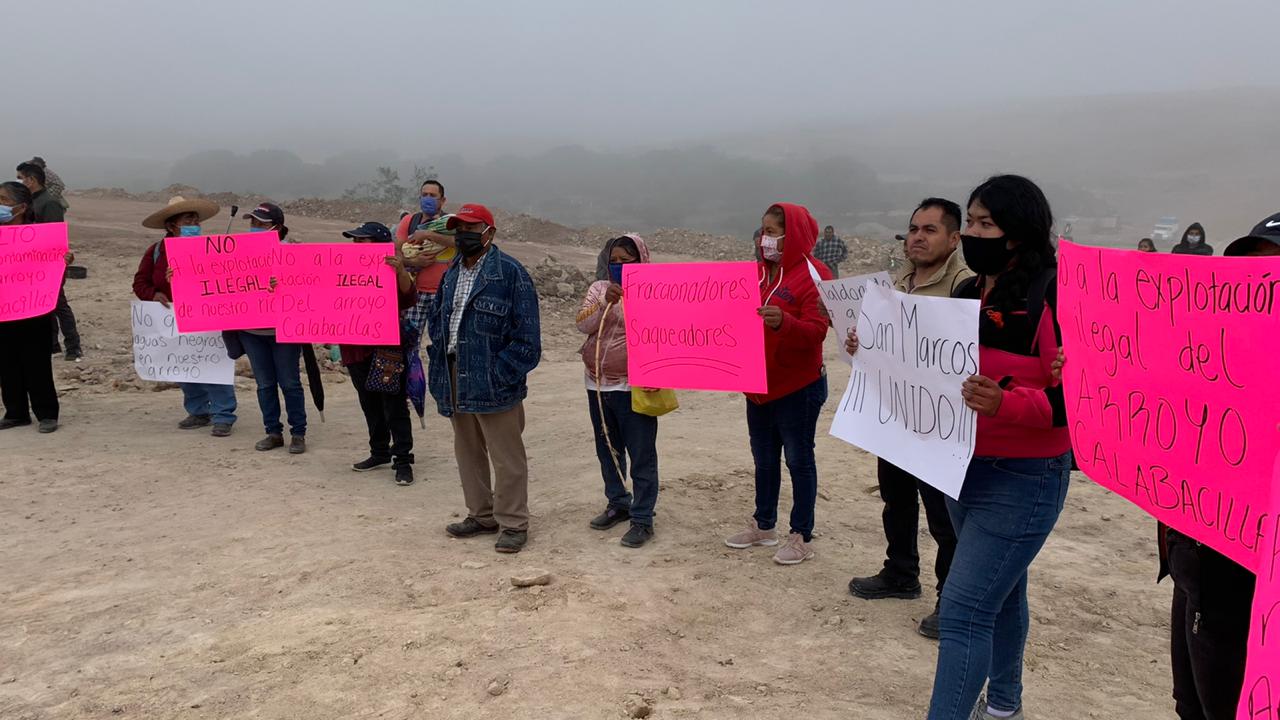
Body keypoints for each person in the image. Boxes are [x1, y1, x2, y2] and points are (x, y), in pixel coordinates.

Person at [867, 175, 1067, 720]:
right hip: (962, 466)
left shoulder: (1051, 294)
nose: (972, 233)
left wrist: (1009, 405)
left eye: (984, 224)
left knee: (962, 611)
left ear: (1018, 232)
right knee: (1004, 595)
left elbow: (1078, 401)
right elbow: (927, 368)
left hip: (1025, 476)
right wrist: (873, 347)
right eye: (971, 222)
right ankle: (1003, 706)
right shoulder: (966, 294)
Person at [1159, 212, 1280, 720]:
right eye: (1248, 271)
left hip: (1251, 576)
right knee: (1191, 702)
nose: (1259, 285)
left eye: (1272, 270)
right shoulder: (1210, 352)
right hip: (1194, 559)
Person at [847, 198, 971, 639]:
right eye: (913, 228)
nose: (918, 236)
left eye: (930, 229)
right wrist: (860, 345)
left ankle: (950, 599)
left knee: (944, 520)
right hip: (896, 418)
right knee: (896, 501)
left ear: (954, 238)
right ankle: (900, 573)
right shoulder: (895, 283)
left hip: (940, 427)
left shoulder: (965, 287)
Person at [428, 203, 541, 554]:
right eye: (459, 228)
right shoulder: (451, 272)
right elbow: (438, 318)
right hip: (454, 375)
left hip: (493, 381)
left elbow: (528, 340)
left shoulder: (510, 273)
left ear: (488, 233)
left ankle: (513, 523)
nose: (464, 234)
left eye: (471, 228)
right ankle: (481, 514)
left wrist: (500, 373)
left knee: (506, 456)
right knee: (468, 450)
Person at [723, 203, 831, 566]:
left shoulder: (815, 275)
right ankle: (764, 524)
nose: (764, 239)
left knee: (799, 460)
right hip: (757, 385)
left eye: (772, 232)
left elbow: (817, 331)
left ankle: (801, 534)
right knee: (764, 460)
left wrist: (784, 322)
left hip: (797, 387)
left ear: (793, 234)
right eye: (762, 230)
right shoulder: (755, 274)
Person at [576, 234, 660, 548]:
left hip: (634, 386)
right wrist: (604, 302)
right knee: (607, 449)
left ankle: (642, 518)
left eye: (627, 259)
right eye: (615, 260)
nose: (620, 265)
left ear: (641, 260)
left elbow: (665, 332)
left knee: (641, 453)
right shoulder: (598, 290)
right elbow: (583, 325)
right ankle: (618, 502)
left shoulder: (655, 292)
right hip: (597, 385)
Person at [134, 196, 238, 436]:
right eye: (187, 218)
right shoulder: (157, 251)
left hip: (208, 316)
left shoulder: (211, 248)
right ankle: (198, 410)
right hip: (173, 319)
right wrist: (154, 293)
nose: (194, 222)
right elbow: (140, 282)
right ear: (172, 226)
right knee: (184, 366)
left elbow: (227, 280)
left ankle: (224, 414)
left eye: (196, 219)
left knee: (214, 365)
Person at [339, 222, 419, 486]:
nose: (357, 246)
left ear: (379, 245)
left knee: (393, 404)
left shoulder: (390, 270)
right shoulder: (339, 269)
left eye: (363, 241)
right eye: (355, 241)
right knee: (368, 402)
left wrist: (400, 271)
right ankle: (379, 451)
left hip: (386, 347)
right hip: (353, 348)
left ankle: (403, 459)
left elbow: (409, 298)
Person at [236, 203, 307, 454]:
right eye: (252, 223)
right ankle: (273, 432)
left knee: (290, 383)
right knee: (265, 384)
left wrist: (285, 281)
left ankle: (298, 433)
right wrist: (178, 275)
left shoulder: (292, 255)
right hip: (251, 332)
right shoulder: (237, 255)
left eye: (261, 223)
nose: (255, 228)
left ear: (276, 227)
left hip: (284, 330)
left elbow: (310, 288)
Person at [0, 182, 69, 433]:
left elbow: (54, 278)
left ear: (22, 206)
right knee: (6, 364)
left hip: (35, 311)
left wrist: (62, 262)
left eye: (4, 200)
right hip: (3, 311)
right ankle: (16, 412)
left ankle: (47, 413)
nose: (1, 206)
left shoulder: (40, 237)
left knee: (36, 363)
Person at [17, 162, 81, 361]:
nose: (20, 182)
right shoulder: (30, 202)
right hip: (35, 264)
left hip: (50, 263)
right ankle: (52, 345)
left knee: (59, 304)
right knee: (43, 305)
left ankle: (73, 346)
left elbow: (53, 237)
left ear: (32, 180)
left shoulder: (49, 203)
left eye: (21, 178)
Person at [398, 179, 455, 335]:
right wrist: (413, 261)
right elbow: (395, 253)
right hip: (414, 293)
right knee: (409, 342)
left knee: (442, 343)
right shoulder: (409, 221)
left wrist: (428, 234)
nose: (428, 199)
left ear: (442, 200)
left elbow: (460, 242)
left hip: (445, 292)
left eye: (432, 195)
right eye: (424, 195)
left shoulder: (450, 223)